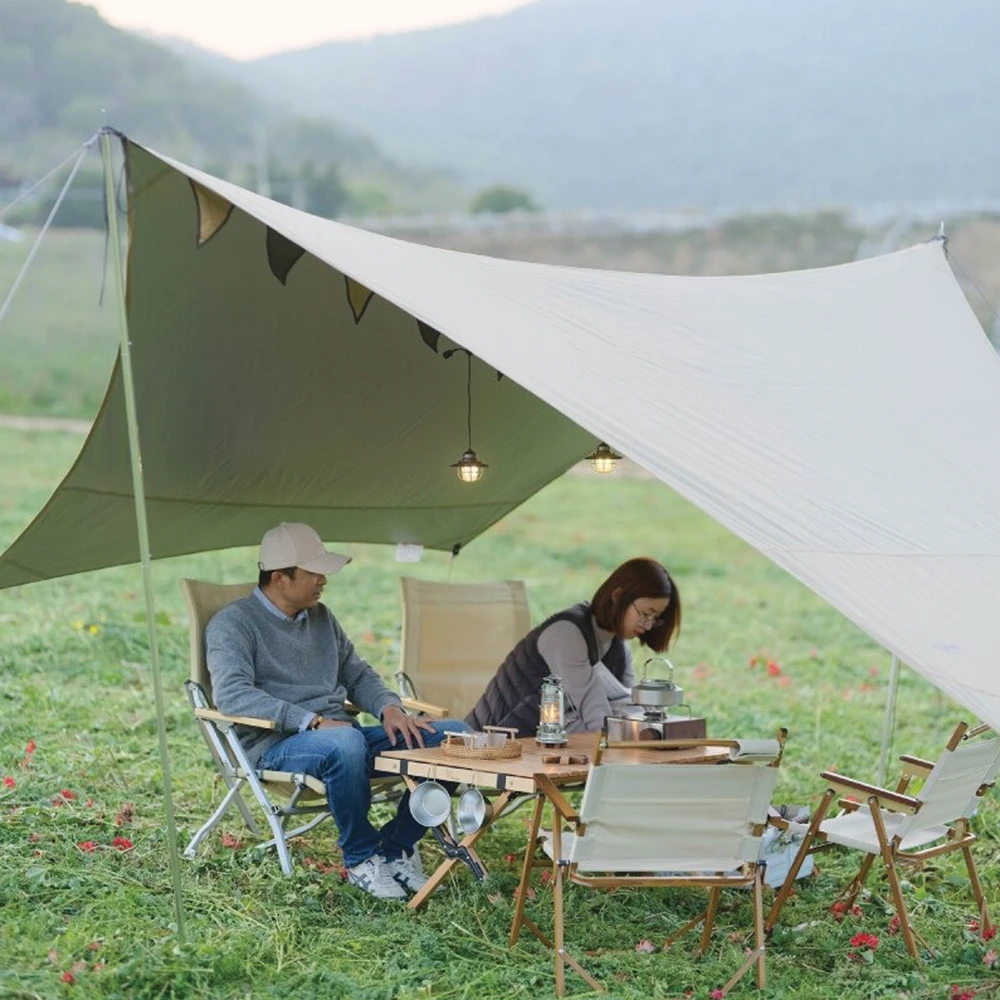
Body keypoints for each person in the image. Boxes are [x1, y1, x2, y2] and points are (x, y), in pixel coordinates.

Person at [206, 522, 469, 901]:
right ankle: (361, 857)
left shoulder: (321, 618)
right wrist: (311, 721)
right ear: (279, 578)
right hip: (277, 746)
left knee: (453, 737)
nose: (323, 580)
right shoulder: (233, 624)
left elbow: (357, 674)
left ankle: (396, 848)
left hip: (343, 740)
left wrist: (389, 708)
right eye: (313, 573)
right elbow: (232, 696)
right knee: (344, 741)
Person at [465, 557, 681, 737]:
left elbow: (628, 707)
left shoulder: (617, 646)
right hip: (493, 741)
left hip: (544, 738)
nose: (648, 625)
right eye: (645, 614)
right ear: (617, 596)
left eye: (655, 618)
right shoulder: (566, 633)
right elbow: (596, 715)